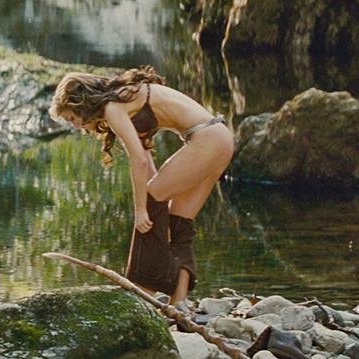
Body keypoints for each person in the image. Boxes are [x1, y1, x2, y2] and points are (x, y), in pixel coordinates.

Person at [47, 65, 234, 309]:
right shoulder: (125, 98)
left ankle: (141, 291)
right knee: (179, 222)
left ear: (80, 103)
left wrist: (141, 210)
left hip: (207, 139)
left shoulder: (113, 107)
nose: (75, 126)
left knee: (151, 203)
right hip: (221, 138)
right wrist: (152, 202)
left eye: (72, 118)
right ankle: (179, 304)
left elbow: (139, 161)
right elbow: (148, 167)